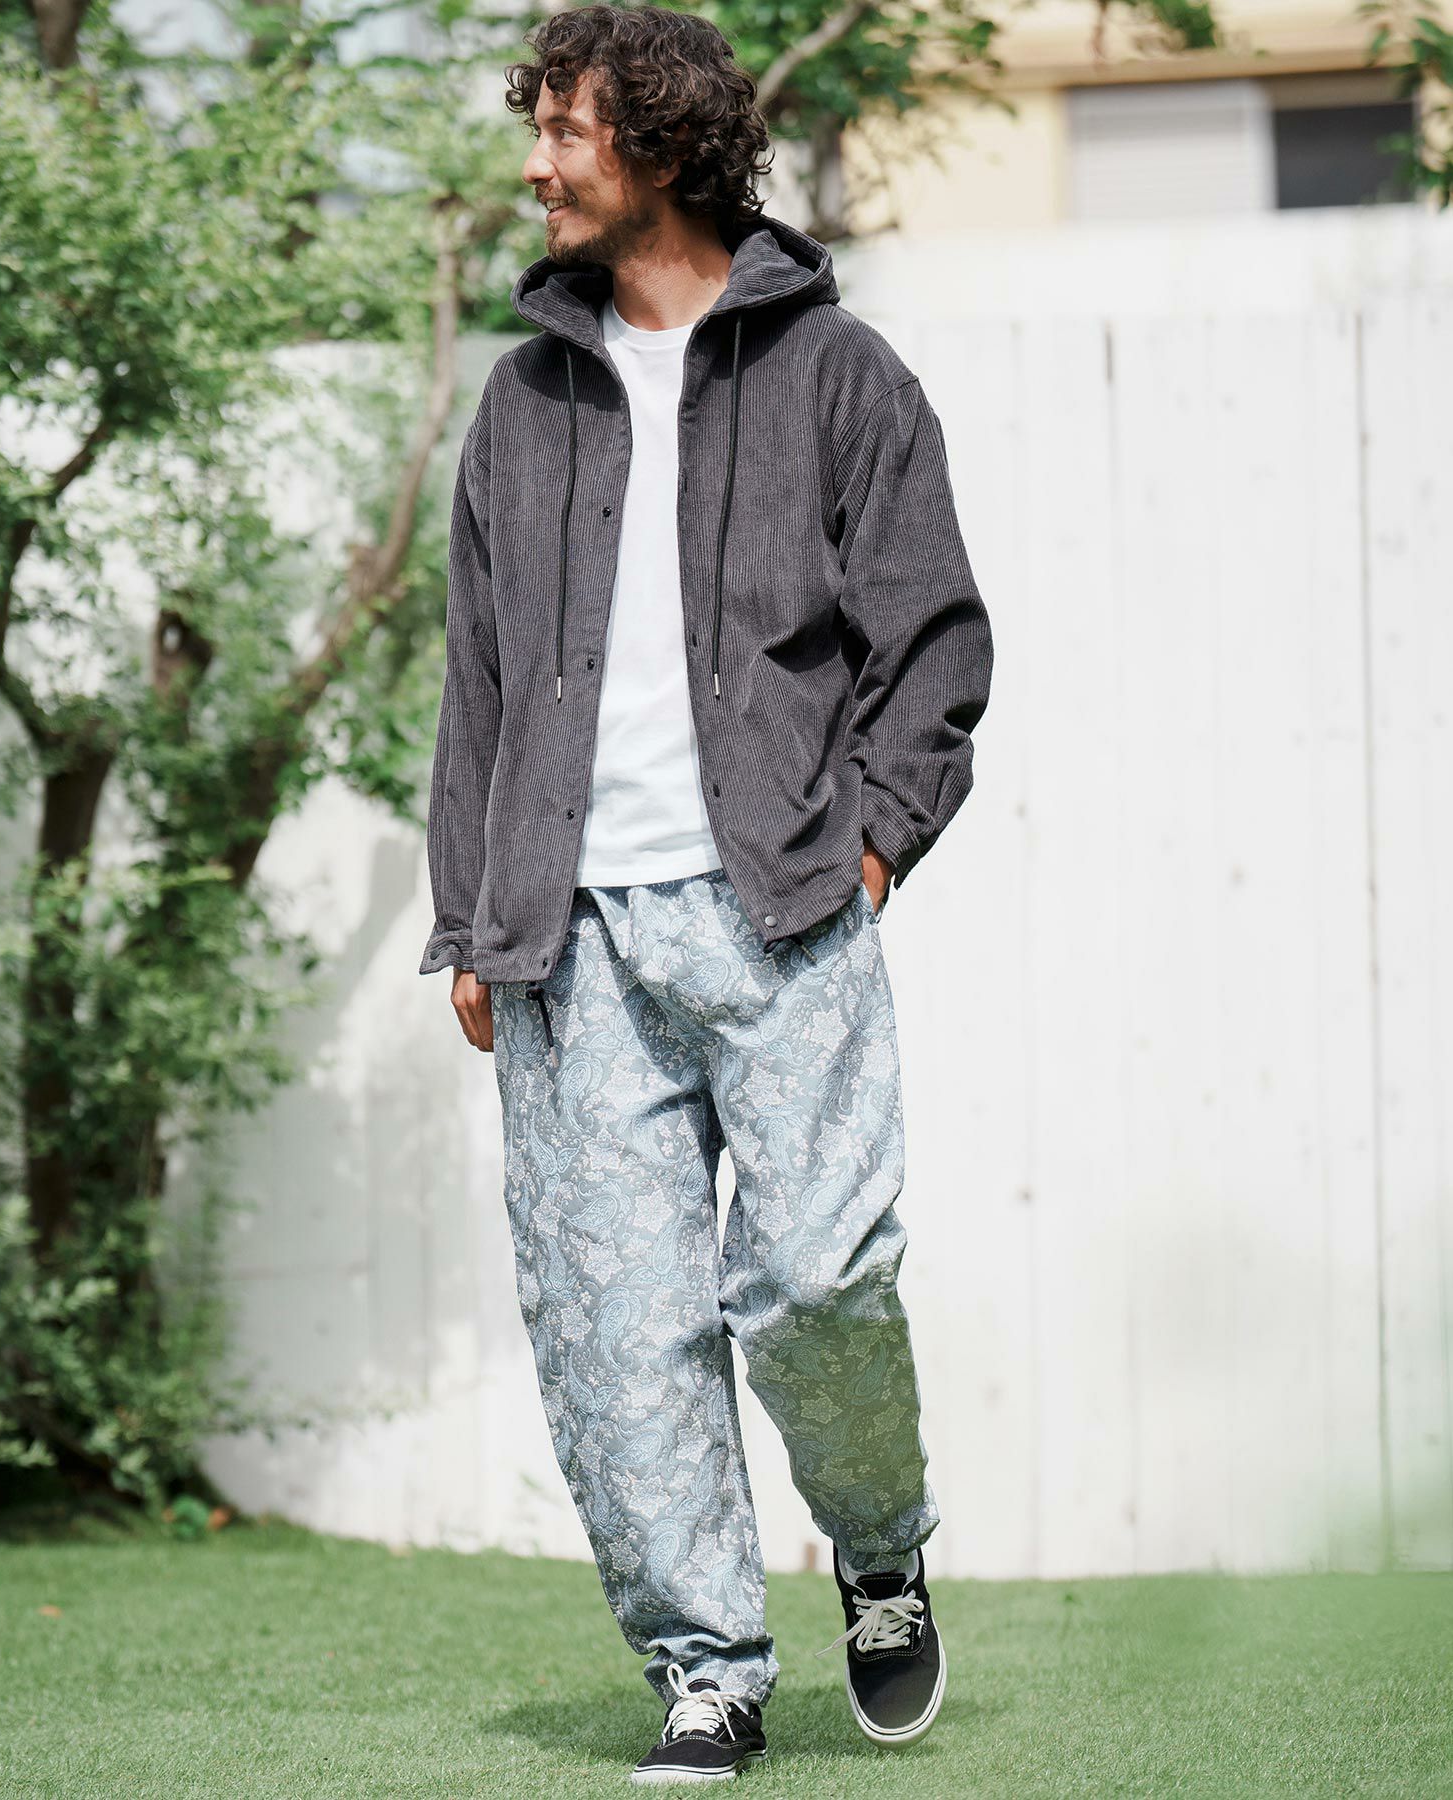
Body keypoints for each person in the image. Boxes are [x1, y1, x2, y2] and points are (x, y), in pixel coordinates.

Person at [421, 3, 993, 1783]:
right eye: (536, 128)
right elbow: (477, 680)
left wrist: (875, 843)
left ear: (661, 145)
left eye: (565, 131)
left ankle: (877, 1546)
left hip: (784, 909)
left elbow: (933, 643)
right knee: (617, 1323)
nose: (535, 163)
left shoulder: (839, 377)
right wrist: (471, 916)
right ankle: (708, 1669)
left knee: (818, 1281)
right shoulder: (523, 402)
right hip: (568, 935)